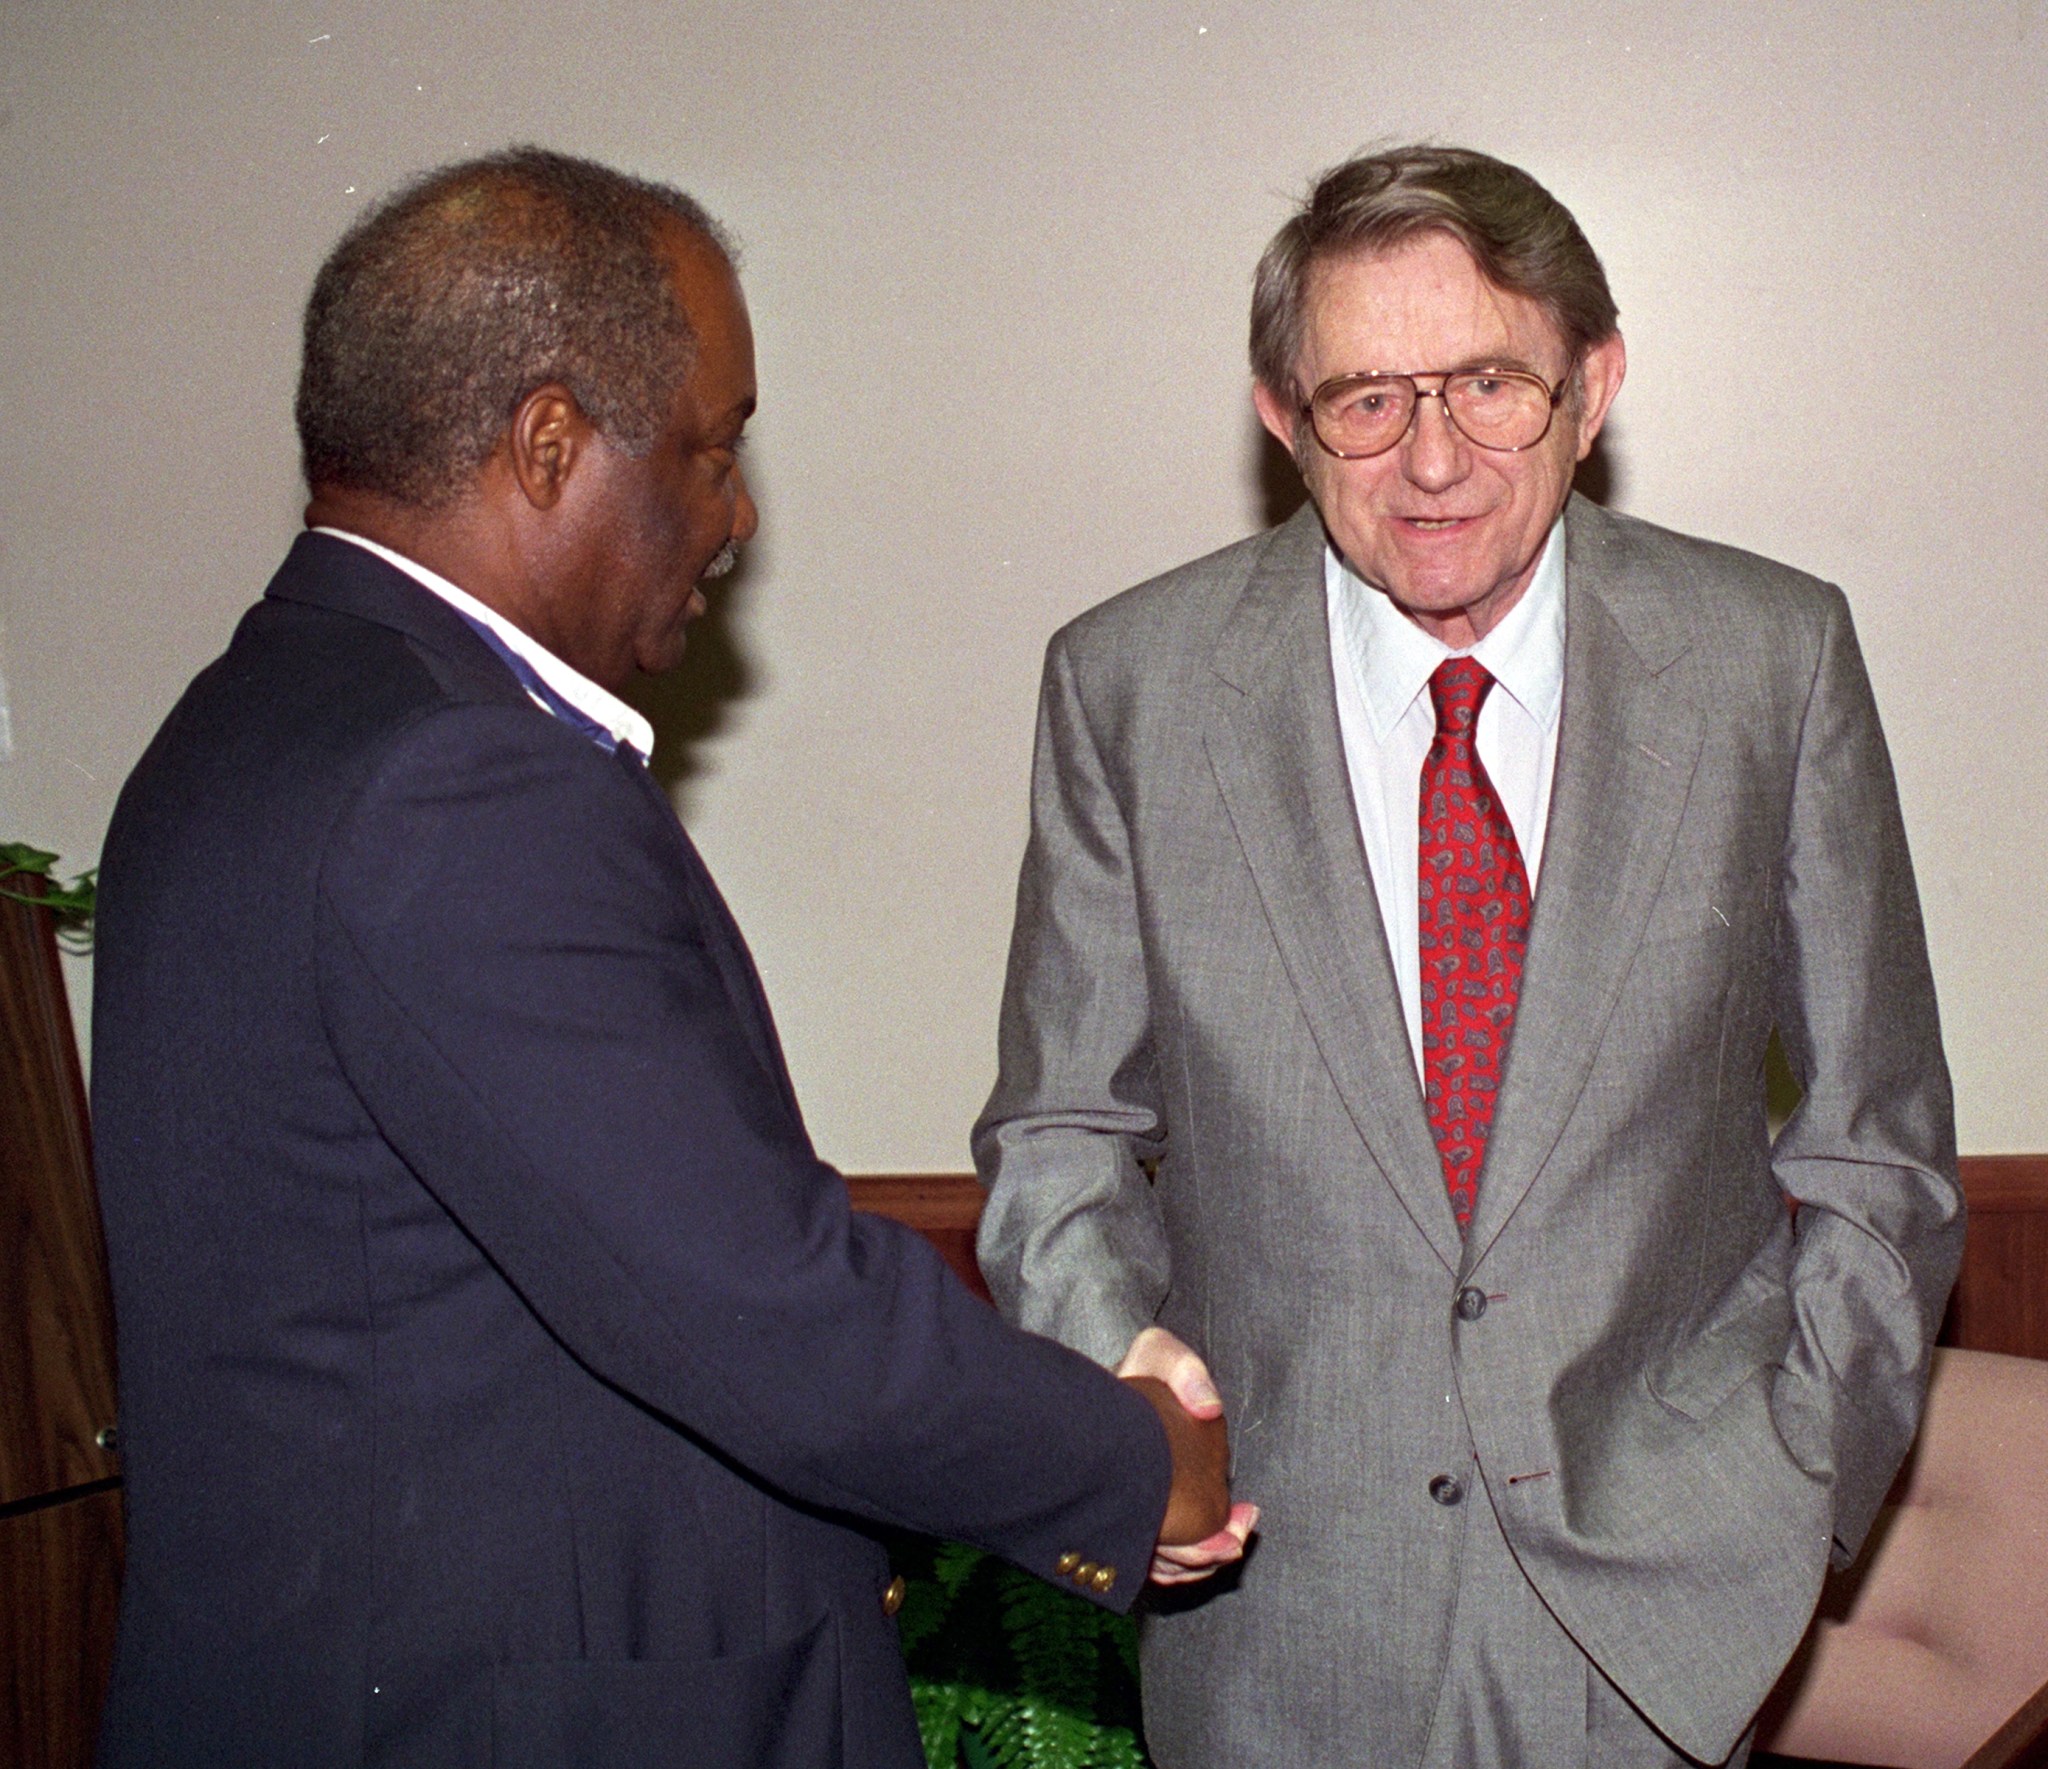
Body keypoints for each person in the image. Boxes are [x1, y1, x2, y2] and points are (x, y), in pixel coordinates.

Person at [89, 147, 1235, 1769]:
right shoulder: (458, 781)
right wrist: (1126, 1458)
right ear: (550, 444)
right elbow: (754, 1304)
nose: (737, 514)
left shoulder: (239, 731)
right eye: (713, 449)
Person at [974, 144, 1963, 1768]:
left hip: (1668, 1613)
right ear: (1285, 422)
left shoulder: (1770, 661)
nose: (1432, 460)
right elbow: (1057, 1134)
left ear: (1595, 384)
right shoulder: (1131, 688)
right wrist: (1127, 1397)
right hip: (1274, 1618)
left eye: (1491, 382)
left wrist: (1792, 1485)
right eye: (1367, 399)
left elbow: (1881, 1145)